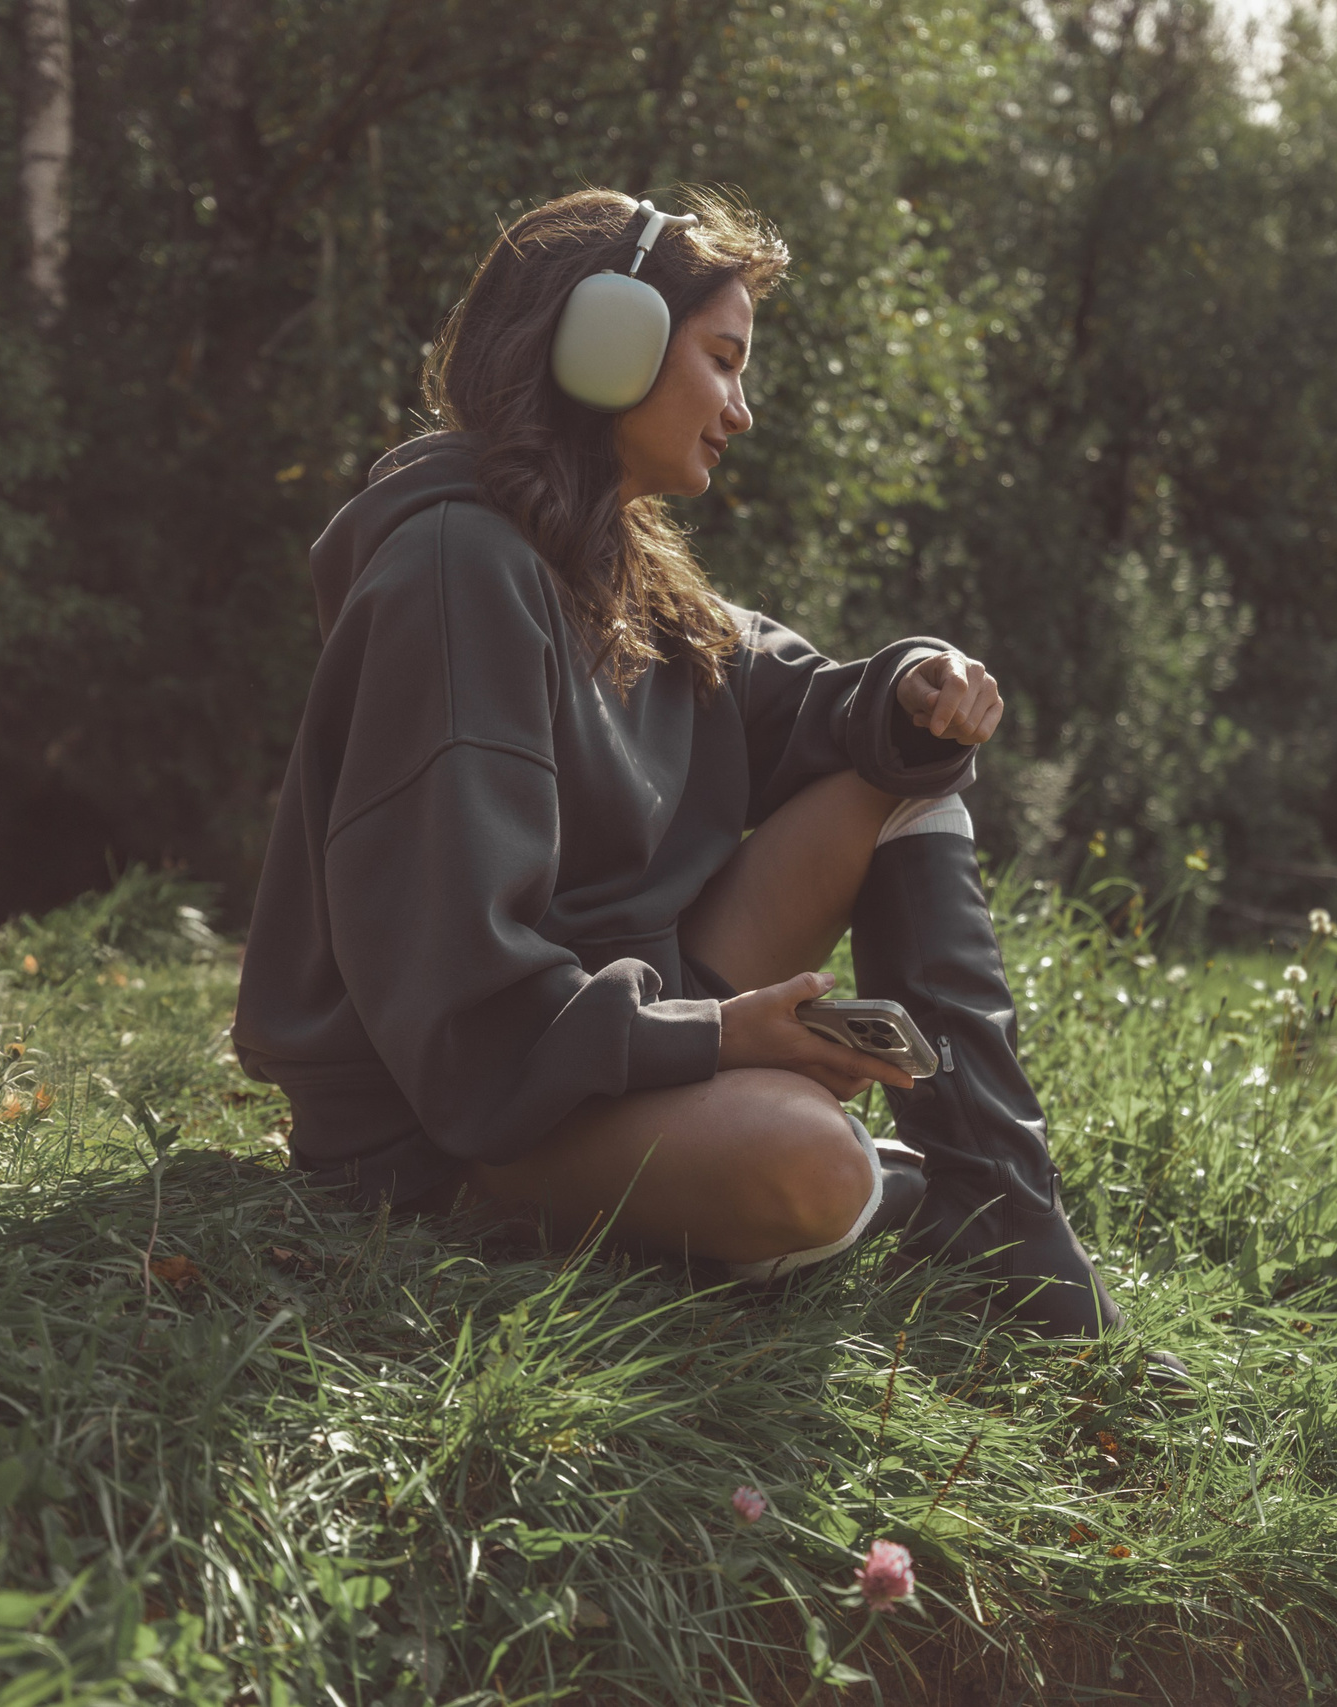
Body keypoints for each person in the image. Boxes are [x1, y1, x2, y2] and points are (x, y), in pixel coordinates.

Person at [234, 187, 1136, 1344]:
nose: (740, 410)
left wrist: (913, 684)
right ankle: (878, 1190)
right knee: (813, 1165)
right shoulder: (456, 572)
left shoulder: (615, 563)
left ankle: (1002, 1214)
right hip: (448, 1119)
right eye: (722, 360)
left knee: (900, 768)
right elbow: (471, 1022)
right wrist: (726, 1037)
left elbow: (806, 708)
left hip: (595, 1043)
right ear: (608, 345)